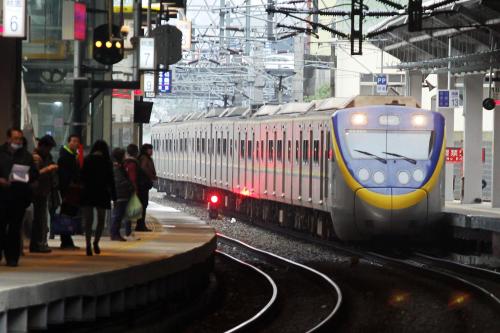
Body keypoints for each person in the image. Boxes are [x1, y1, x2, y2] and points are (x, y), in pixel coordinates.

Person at [0, 128, 38, 266]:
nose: (18, 141)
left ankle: (12, 257)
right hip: (2, 196)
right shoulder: (1, 153)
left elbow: (34, 173)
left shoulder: (26, 156)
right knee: (1, 226)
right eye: (15, 138)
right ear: (8, 139)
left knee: (15, 228)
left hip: (19, 196)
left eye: (20, 139)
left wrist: (25, 177)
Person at [80, 140, 116, 256]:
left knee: (88, 221)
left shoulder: (87, 160)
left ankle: (87, 245)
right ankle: (96, 242)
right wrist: (114, 197)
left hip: (88, 193)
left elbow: (81, 177)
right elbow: (111, 181)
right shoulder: (107, 162)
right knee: (101, 220)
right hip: (102, 193)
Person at [30, 135, 58, 253]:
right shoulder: (36, 158)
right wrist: (48, 169)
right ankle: (37, 244)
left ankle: (41, 242)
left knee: (42, 219)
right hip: (37, 192)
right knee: (39, 219)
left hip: (44, 190)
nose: (49, 151)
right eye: (48, 148)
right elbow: (35, 174)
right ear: (42, 146)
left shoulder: (47, 156)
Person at [57, 134, 81, 249]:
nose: (76, 144)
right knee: (67, 214)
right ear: (69, 142)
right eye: (73, 141)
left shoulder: (73, 156)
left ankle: (68, 240)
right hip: (68, 191)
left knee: (70, 214)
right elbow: (64, 176)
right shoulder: (65, 157)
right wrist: (65, 191)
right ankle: (65, 240)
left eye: (77, 141)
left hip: (73, 190)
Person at [124, 144, 151, 232]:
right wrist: (135, 189)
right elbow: (133, 178)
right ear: (136, 152)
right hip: (139, 188)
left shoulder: (127, 162)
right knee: (138, 207)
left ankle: (133, 227)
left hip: (132, 188)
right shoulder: (134, 163)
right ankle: (132, 229)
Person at [110, 148, 134, 241]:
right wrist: (130, 186)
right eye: (124, 155)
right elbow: (120, 181)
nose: (125, 157)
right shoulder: (117, 168)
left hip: (121, 194)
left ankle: (116, 234)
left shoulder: (119, 166)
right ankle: (114, 234)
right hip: (120, 194)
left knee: (119, 215)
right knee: (117, 215)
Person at [137, 144, 156, 232]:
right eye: (150, 149)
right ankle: (140, 225)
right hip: (143, 185)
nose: (151, 151)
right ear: (145, 150)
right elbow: (144, 168)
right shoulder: (144, 158)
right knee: (143, 204)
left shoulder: (143, 157)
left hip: (143, 185)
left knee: (143, 205)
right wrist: (151, 176)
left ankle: (141, 224)